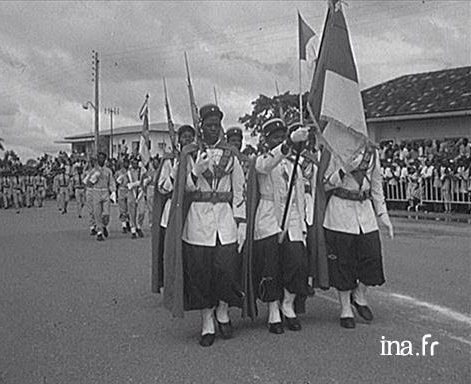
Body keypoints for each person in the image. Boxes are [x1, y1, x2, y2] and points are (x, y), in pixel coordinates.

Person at [163, 104, 247, 347]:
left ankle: (223, 311)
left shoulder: (232, 154)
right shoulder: (189, 154)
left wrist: (241, 222)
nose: (213, 129)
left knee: (226, 271)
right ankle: (207, 320)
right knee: (201, 275)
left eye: (216, 125)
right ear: (201, 127)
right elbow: (180, 188)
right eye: (208, 125)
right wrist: (194, 173)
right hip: (198, 224)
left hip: (225, 221)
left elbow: (239, 190)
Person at [248, 118, 311, 334]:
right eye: (274, 137)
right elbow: (268, 164)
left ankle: (288, 304)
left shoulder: (294, 164)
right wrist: (287, 146)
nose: (279, 140)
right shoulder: (261, 159)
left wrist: (303, 223)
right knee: (271, 265)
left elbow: (300, 195)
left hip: (292, 214)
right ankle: (273, 308)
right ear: (266, 140)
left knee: (297, 262)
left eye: (282, 136)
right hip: (268, 215)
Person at [323, 143, 394, 329]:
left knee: (372, 257)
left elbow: (377, 185)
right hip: (340, 212)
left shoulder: (371, 152)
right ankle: (345, 307)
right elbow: (325, 184)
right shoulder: (334, 149)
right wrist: (345, 169)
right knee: (343, 263)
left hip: (365, 212)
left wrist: (383, 214)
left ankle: (359, 294)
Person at [151, 124, 195, 294]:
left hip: (192, 209)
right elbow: (162, 187)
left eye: (190, 137)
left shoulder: (199, 157)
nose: (188, 140)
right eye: (184, 137)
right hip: (171, 209)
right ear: (179, 140)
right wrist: (175, 172)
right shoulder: (170, 160)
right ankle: (168, 283)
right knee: (169, 249)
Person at [84, 152, 116, 241]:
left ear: (105, 160)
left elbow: (111, 182)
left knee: (106, 214)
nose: (101, 160)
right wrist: (93, 178)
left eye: (103, 158)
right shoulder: (93, 171)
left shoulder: (108, 171)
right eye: (99, 158)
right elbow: (87, 183)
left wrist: (113, 191)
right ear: (97, 160)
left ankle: (104, 225)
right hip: (96, 192)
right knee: (97, 213)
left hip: (105, 192)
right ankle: (99, 232)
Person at [127, 154, 146, 238]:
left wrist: (142, 182)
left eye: (136, 162)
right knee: (132, 213)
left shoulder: (142, 171)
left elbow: (147, 179)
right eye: (133, 162)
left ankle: (139, 226)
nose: (135, 164)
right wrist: (134, 184)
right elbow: (125, 183)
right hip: (131, 194)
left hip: (140, 193)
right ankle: (133, 230)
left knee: (142, 212)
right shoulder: (128, 172)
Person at [115, 158, 131, 233]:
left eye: (128, 163)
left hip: (129, 190)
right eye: (125, 163)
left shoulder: (131, 171)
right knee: (122, 209)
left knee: (130, 208)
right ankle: (124, 225)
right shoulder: (119, 172)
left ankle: (129, 222)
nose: (126, 164)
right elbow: (116, 182)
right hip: (121, 190)